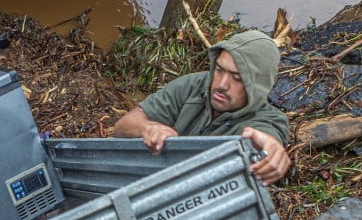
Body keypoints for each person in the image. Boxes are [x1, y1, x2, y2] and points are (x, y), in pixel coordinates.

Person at [113, 29, 291, 186]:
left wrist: (271, 150)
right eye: (219, 70)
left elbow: (269, 139)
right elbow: (123, 126)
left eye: (236, 78)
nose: (221, 84)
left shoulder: (268, 119)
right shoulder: (193, 85)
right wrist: (150, 128)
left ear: (257, 86)